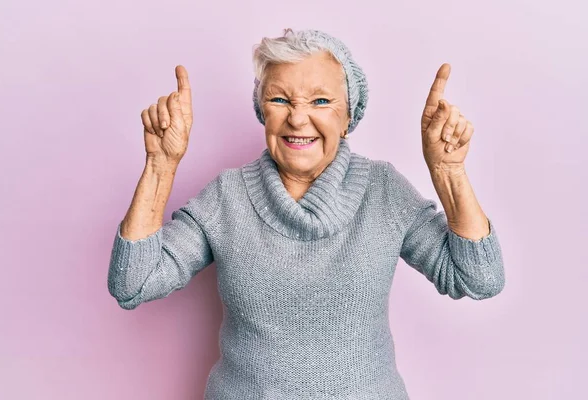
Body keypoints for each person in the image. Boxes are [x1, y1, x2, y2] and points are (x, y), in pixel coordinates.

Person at [107, 28, 505, 400]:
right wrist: (160, 165)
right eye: (280, 100)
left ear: (349, 116)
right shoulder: (226, 197)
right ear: (263, 111)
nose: (298, 118)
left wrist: (448, 171)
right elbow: (133, 283)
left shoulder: (384, 191)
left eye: (320, 101)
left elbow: (479, 278)